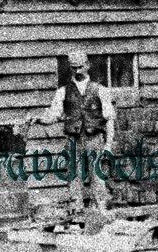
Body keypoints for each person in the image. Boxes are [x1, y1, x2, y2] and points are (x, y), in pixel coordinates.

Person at [29, 50, 117, 213]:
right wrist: (40, 119)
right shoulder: (63, 91)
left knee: (97, 176)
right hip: (73, 140)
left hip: (94, 138)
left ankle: (100, 209)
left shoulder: (100, 90)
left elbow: (109, 119)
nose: (77, 71)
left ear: (87, 65)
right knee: (73, 175)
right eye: (73, 68)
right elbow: (53, 115)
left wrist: (108, 145)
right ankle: (77, 210)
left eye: (80, 67)